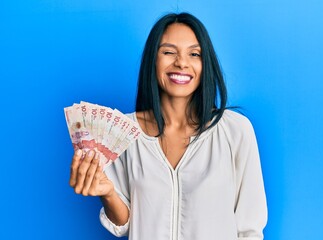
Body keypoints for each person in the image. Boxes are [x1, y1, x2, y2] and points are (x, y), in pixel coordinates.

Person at [69, 12, 267, 240]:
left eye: (194, 54)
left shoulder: (235, 131)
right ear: (153, 60)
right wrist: (109, 193)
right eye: (169, 52)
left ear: (206, 64)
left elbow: (250, 229)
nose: (181, 62)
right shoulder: (124, 132)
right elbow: (122, 224)